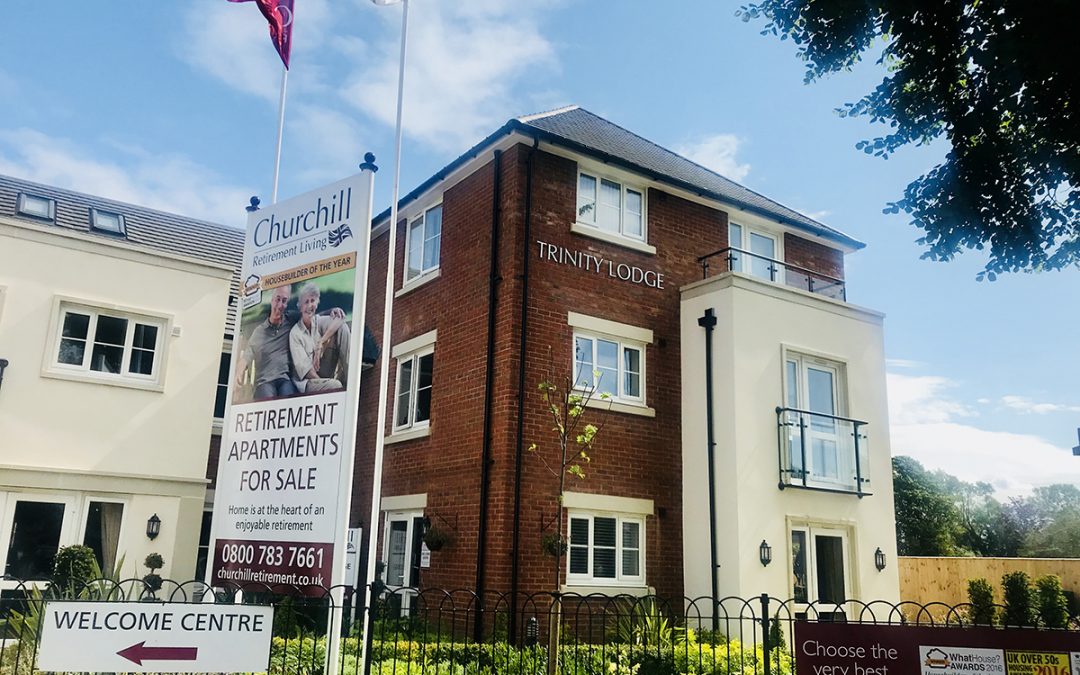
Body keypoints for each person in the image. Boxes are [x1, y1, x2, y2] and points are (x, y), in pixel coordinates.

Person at [236, 285, 299, 401]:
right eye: (278, 299)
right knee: (268, 400)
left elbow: (311, 317)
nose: (280, 305)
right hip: (265, 382)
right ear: (272, 300)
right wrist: (239, 372)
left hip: (284, 379)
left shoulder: (291, 320)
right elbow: (247, 355)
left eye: (284, 301)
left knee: (289, 398)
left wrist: (331, 311)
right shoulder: (260, 331)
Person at [289, 281, 351, 393]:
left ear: (317, 302)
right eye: (306, 302)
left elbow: (340, 319)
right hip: (308, 382)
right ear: (300, 306)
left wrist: (321, 342)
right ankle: (337, 385)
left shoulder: (317, 320)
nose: (309, 305)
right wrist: (325, 385)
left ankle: (351, 377)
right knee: (335, 385)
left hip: (324, 372)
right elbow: (307, 372)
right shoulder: (295, 334)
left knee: (343, 328)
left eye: (312, 301)